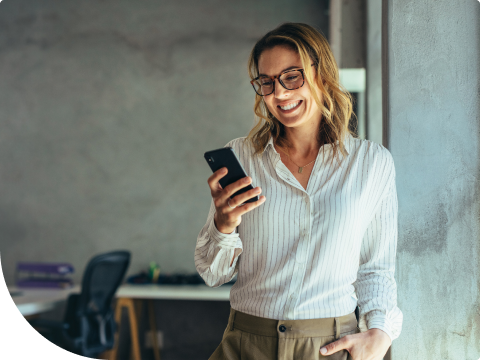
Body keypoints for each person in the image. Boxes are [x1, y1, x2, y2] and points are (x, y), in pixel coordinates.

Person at [195, 22, 402, 360]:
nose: (279, 94)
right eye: (267, 82)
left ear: (322, 74)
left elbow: (376, 268)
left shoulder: (371, 163)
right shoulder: (243, 157)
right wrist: (223, 224)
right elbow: (213, 273)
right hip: (246, 342)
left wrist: (379, 334)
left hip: (328, 346)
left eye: (292, 76)